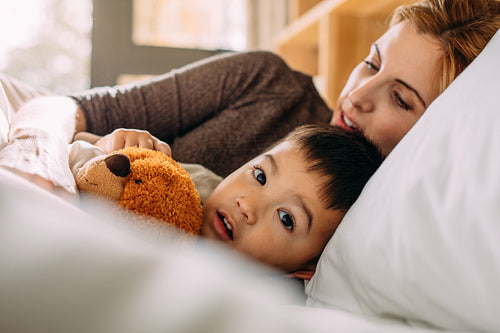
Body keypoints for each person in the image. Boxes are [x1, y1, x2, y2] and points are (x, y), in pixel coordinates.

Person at [69, 0, 500, 178]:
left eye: (401, 99)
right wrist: (109, 144)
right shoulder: (267, 81)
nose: (356, 97)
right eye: (371, 63)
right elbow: (86, 110)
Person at [72, 124, 384, 279]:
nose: (247, 205)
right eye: (260, 176)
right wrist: (114, 145)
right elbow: (76, 150)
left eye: (286, 218)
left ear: (306, 268)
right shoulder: (190, 182)